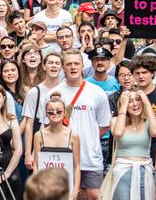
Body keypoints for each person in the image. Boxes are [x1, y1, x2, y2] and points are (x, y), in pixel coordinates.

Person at [52, 50, 111, 200]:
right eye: (69, 64)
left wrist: (88, 138)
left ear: (82, 66)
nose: (73, 67)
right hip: (63, 157)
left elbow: (105, 124)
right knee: (66, 196)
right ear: (63, 67)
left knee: (94, 196)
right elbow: (47, 126)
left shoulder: (97, 92)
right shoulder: (54, 93)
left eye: (76, 63)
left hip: (90, 157)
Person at [107, 88, 156, 200]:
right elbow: (118, 133)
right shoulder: (116, 120)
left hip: (145, 169)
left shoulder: (147, 121)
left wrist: (148, 104)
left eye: (138, 100)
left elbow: (155, 133)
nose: (135, 104)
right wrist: (123, 105)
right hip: (124, 169)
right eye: (130, 101)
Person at [32, 92, 80, 200]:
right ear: (46, 113)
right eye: (50, 111)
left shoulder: (73, 136)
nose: (54, 113)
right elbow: (36, 165)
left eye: (58, 111)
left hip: (66, 188)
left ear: (64, 113)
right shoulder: (39, 136)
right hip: (44, 187)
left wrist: (75, 190)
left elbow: (76, 166)